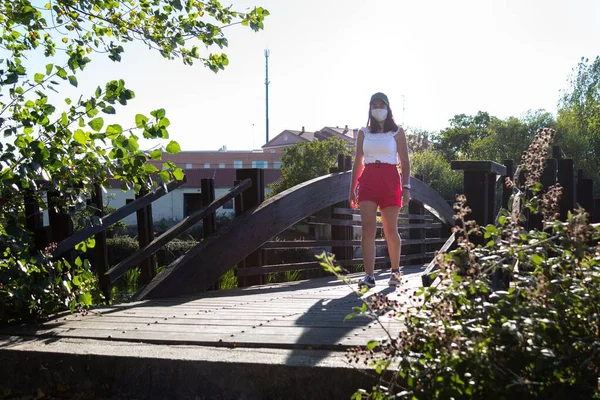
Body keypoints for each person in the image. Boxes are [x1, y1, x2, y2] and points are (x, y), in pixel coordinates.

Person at [349, 92, 411, 288]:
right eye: (374, 105)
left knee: (390, 229)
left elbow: (405, 162)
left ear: (387, 107)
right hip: (368, 179)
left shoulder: (397, 132)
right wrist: (352, 188)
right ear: (370, 108)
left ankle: (395, 271)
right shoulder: (363, 132)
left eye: (381, 104)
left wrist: (407, 187)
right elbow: (358, 162)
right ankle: (369, 275)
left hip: (390, 179)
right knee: (368, 229)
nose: (378, 108)